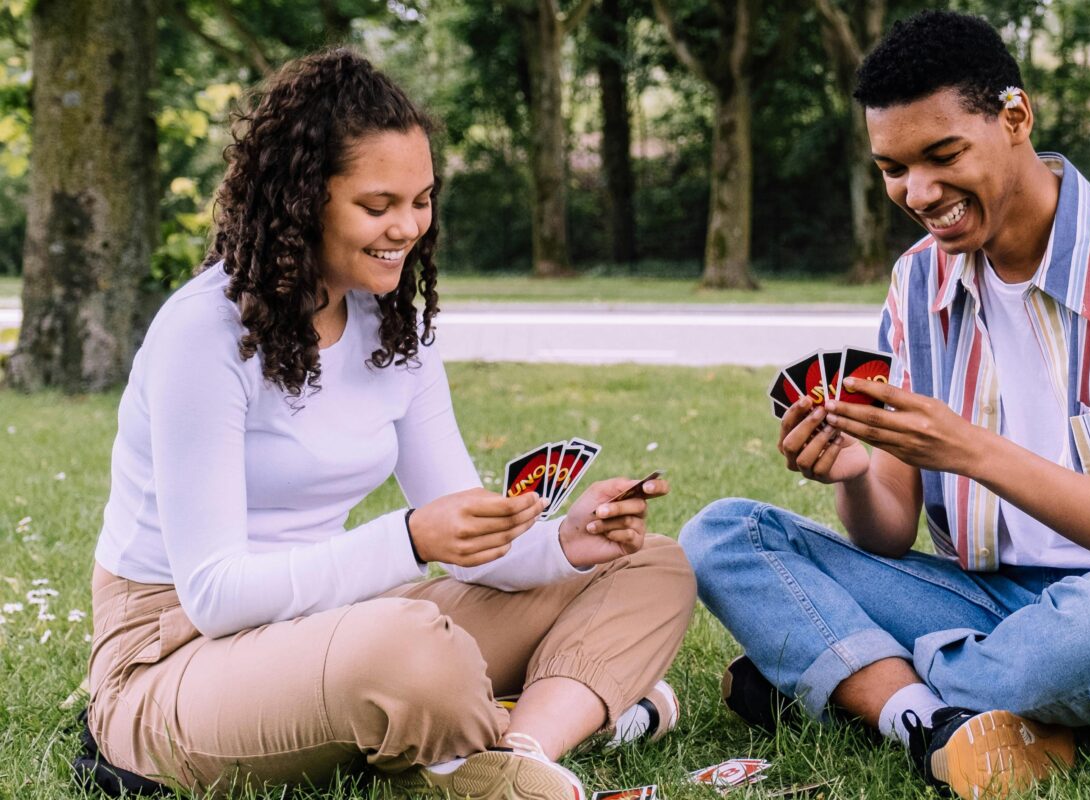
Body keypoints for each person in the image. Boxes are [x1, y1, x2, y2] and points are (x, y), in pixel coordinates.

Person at [680, 10, 1090, 800]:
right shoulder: (919, 284)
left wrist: (967, 449)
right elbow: (886, 534)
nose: (918, 192)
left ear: (1015, 118)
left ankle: (854, 676)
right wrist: (855, 473)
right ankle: (926, 720)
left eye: (942, 154)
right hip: (990, 601)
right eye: (892, 168)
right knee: (724, 535)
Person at [85, 49, 695, 800]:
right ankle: (555, 716)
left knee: (651, 565)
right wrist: (409, 540)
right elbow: (213, 594)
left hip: (333, 625)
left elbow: (473, 548)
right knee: (409, 652)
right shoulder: (203, 334)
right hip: (177, 654)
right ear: (303, 199)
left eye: (423, 200)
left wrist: (566, 543)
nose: (407, 227)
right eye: (378, 206)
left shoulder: (391, 326)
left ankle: (518, 748)